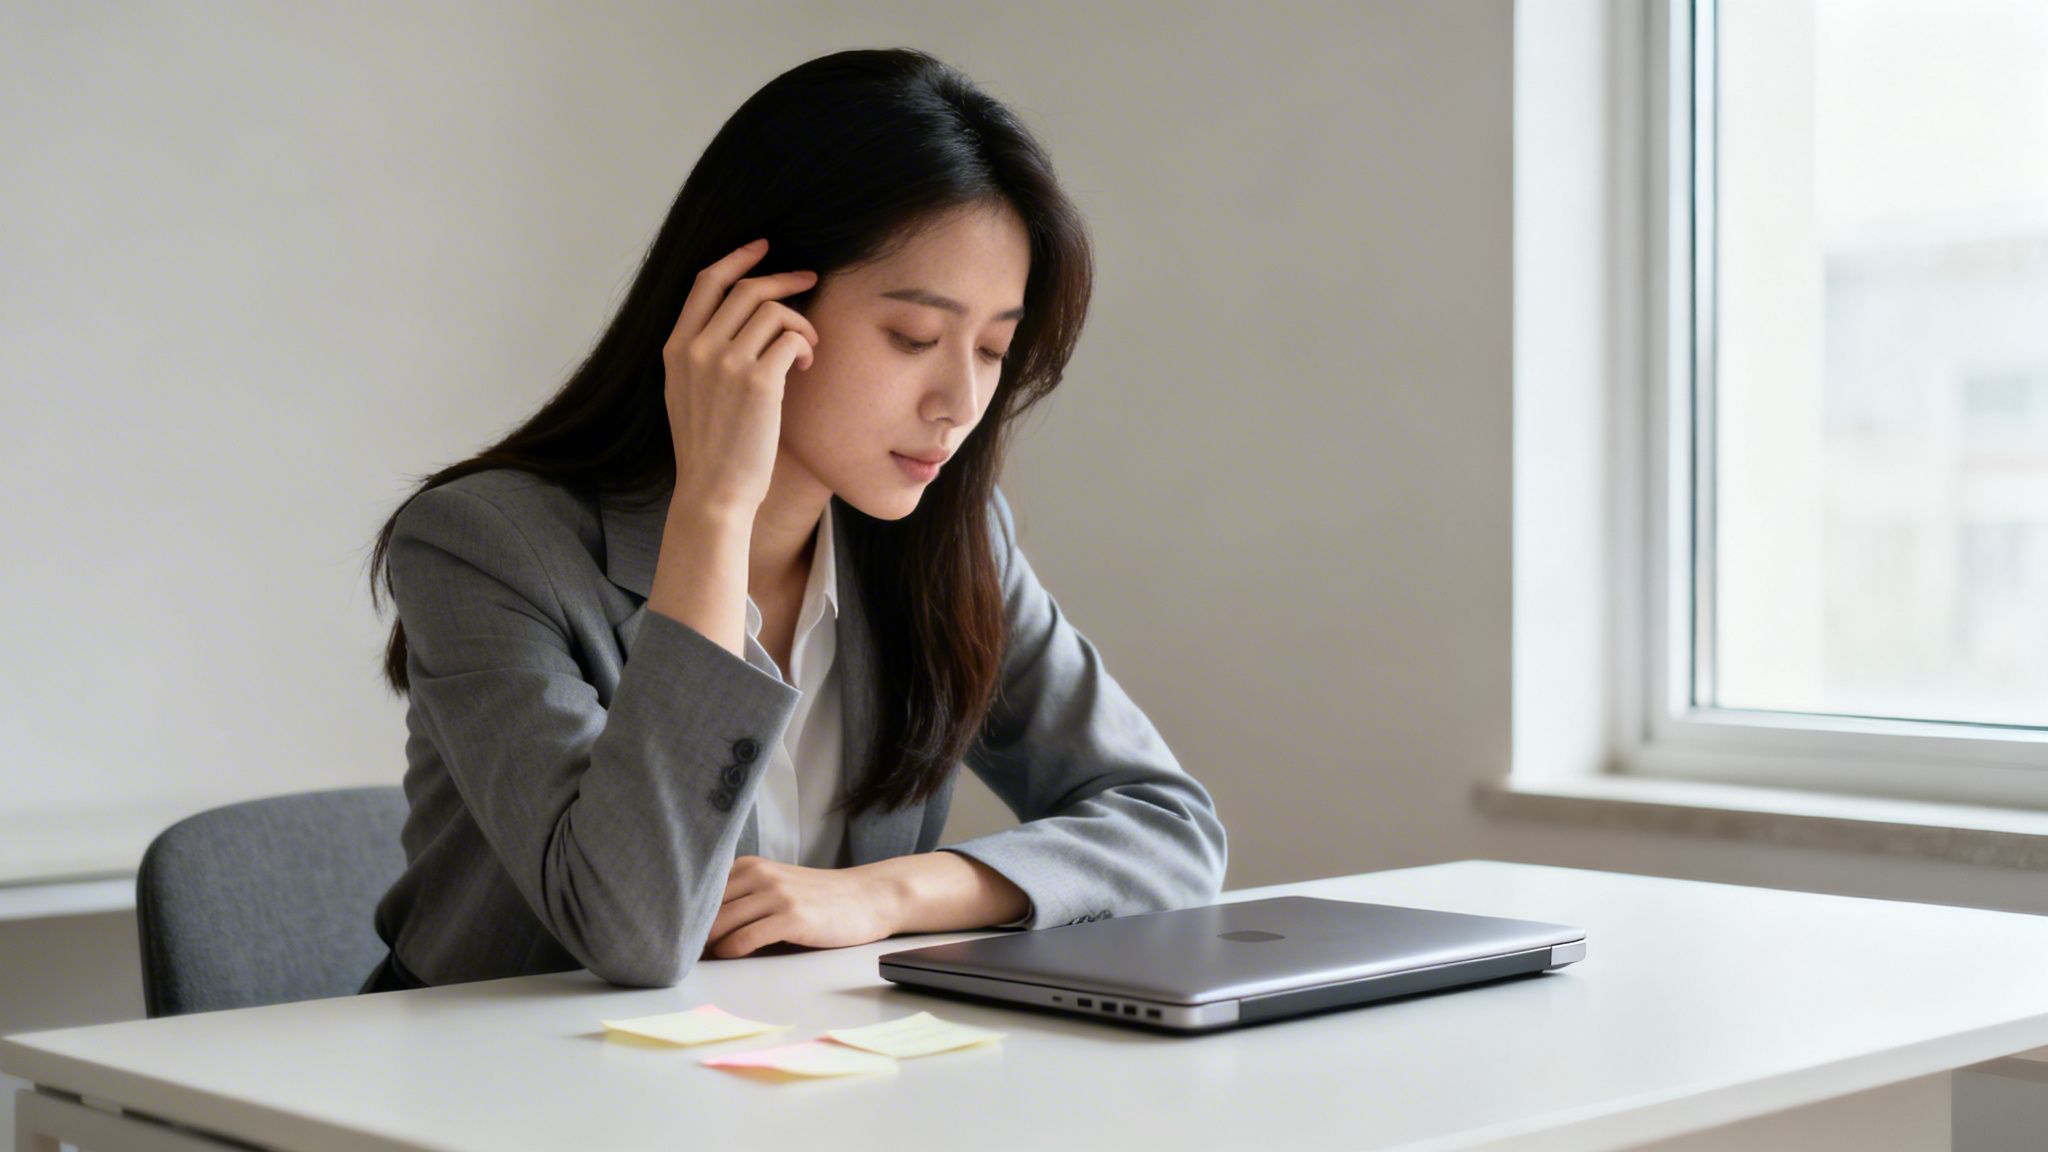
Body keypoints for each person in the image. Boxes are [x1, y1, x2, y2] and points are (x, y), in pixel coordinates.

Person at [361, 48, 1226, 992]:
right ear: (751, 306)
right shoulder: (484, 546)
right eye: (914, 338)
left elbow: (1171, 829)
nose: (958, 402)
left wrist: (888, 897)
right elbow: (636, 930)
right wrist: (715, 507)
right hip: (493, 1099)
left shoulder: (950, 539)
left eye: (993, 349)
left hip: (792, 1069)